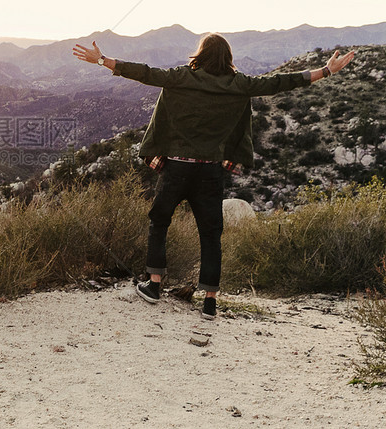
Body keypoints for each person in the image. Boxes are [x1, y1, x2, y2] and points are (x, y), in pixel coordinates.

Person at [72, 33, 355, 319]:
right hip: (210, 171)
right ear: (227, 58)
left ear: (202, 54)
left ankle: (154, 285)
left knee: (159, 221)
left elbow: (145, 73)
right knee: (211, 235)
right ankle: (209, 301)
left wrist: (102, 61)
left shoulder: (182, 77)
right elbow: (280, 82)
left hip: (177, 168)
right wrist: (327, 70)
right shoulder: (239, 84)